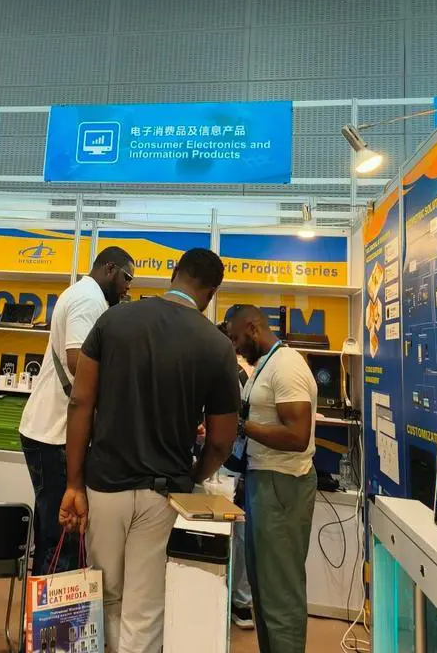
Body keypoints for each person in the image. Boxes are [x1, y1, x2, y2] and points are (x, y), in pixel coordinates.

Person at [60, 248, 240, 653]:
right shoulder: (217, 346)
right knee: (144, 608)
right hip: (163, 493)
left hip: (105, 484)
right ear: (212, 292)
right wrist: (193, 475)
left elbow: (80, 402)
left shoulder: (113, 320)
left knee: (102, 592)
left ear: (173, 274)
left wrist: (73, 483)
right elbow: (221, 441)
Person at [19, 246, 135, 575]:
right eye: (127, 277)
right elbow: (77, 362)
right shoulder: (89, 299)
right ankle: (51, 607)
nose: (128, 287)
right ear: (109, 269)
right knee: (63, 536)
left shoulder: (83, 294)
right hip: (54, 433)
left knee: (55, 534)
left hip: (50, 430)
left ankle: (45, 603)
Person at [226, 305, 318, 653]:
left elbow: (297, 436)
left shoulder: (287, 365)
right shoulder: (266, 364)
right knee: (263, 588)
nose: (236, 346)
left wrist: (241, 426)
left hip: (283, 485)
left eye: (236, 337)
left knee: (280, 592)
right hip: (263, 481)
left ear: (253, 327)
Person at [217, 321, 255, 631]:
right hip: (212, 463)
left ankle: (240, 601)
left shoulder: (241, 377)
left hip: (232, 466)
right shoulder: (216, 372)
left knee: (238, 535)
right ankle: (218, 597)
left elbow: (242, 426)